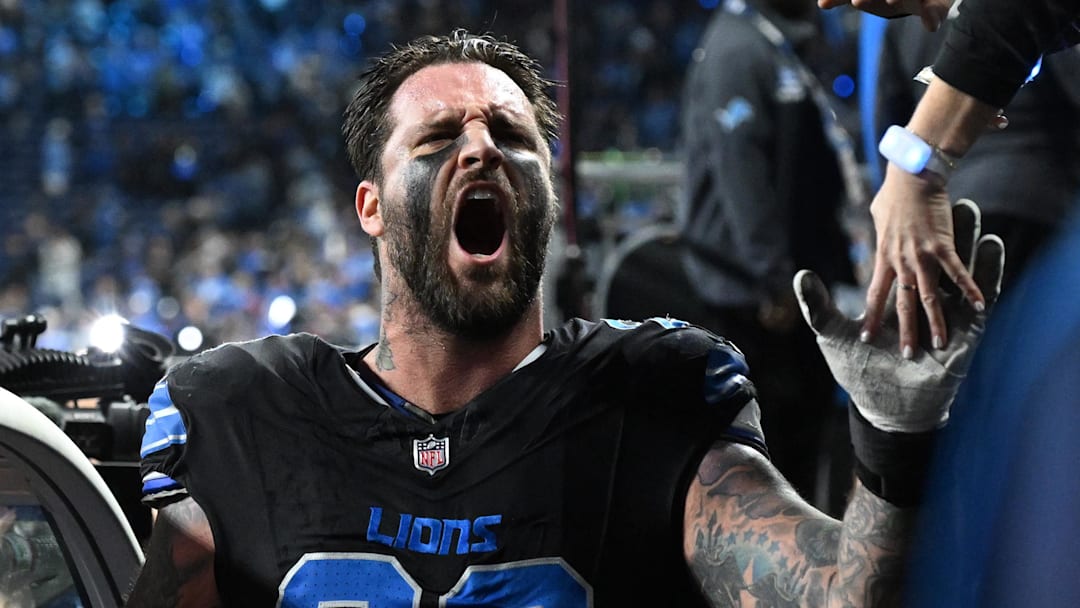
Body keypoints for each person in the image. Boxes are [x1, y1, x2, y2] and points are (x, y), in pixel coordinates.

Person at [126, 31, 1003, 607]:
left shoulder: (650, 395)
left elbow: (846, 600)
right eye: (437, 141)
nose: (480, 149)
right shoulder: (244, 410)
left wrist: (893, 436)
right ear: (371, 207)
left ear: (546, 194)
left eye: (511, 138)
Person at [679, 0, 862, 513]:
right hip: (754, 303)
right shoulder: (739, 47)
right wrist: (773, 279)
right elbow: (743, 173)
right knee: (770, 462)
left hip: (785, 290)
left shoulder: (769, 43)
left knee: (798, 448)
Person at [819, 0, 1079, 355]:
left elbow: (882, 108)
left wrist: (911, 170)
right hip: (1041, 199)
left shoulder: (888, 28)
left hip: (953, 204)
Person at [875, 4, 1080, 290]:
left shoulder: (902, 24)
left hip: (946, 205)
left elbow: (889, 108)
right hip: (1041, 197)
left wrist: (905, 178)